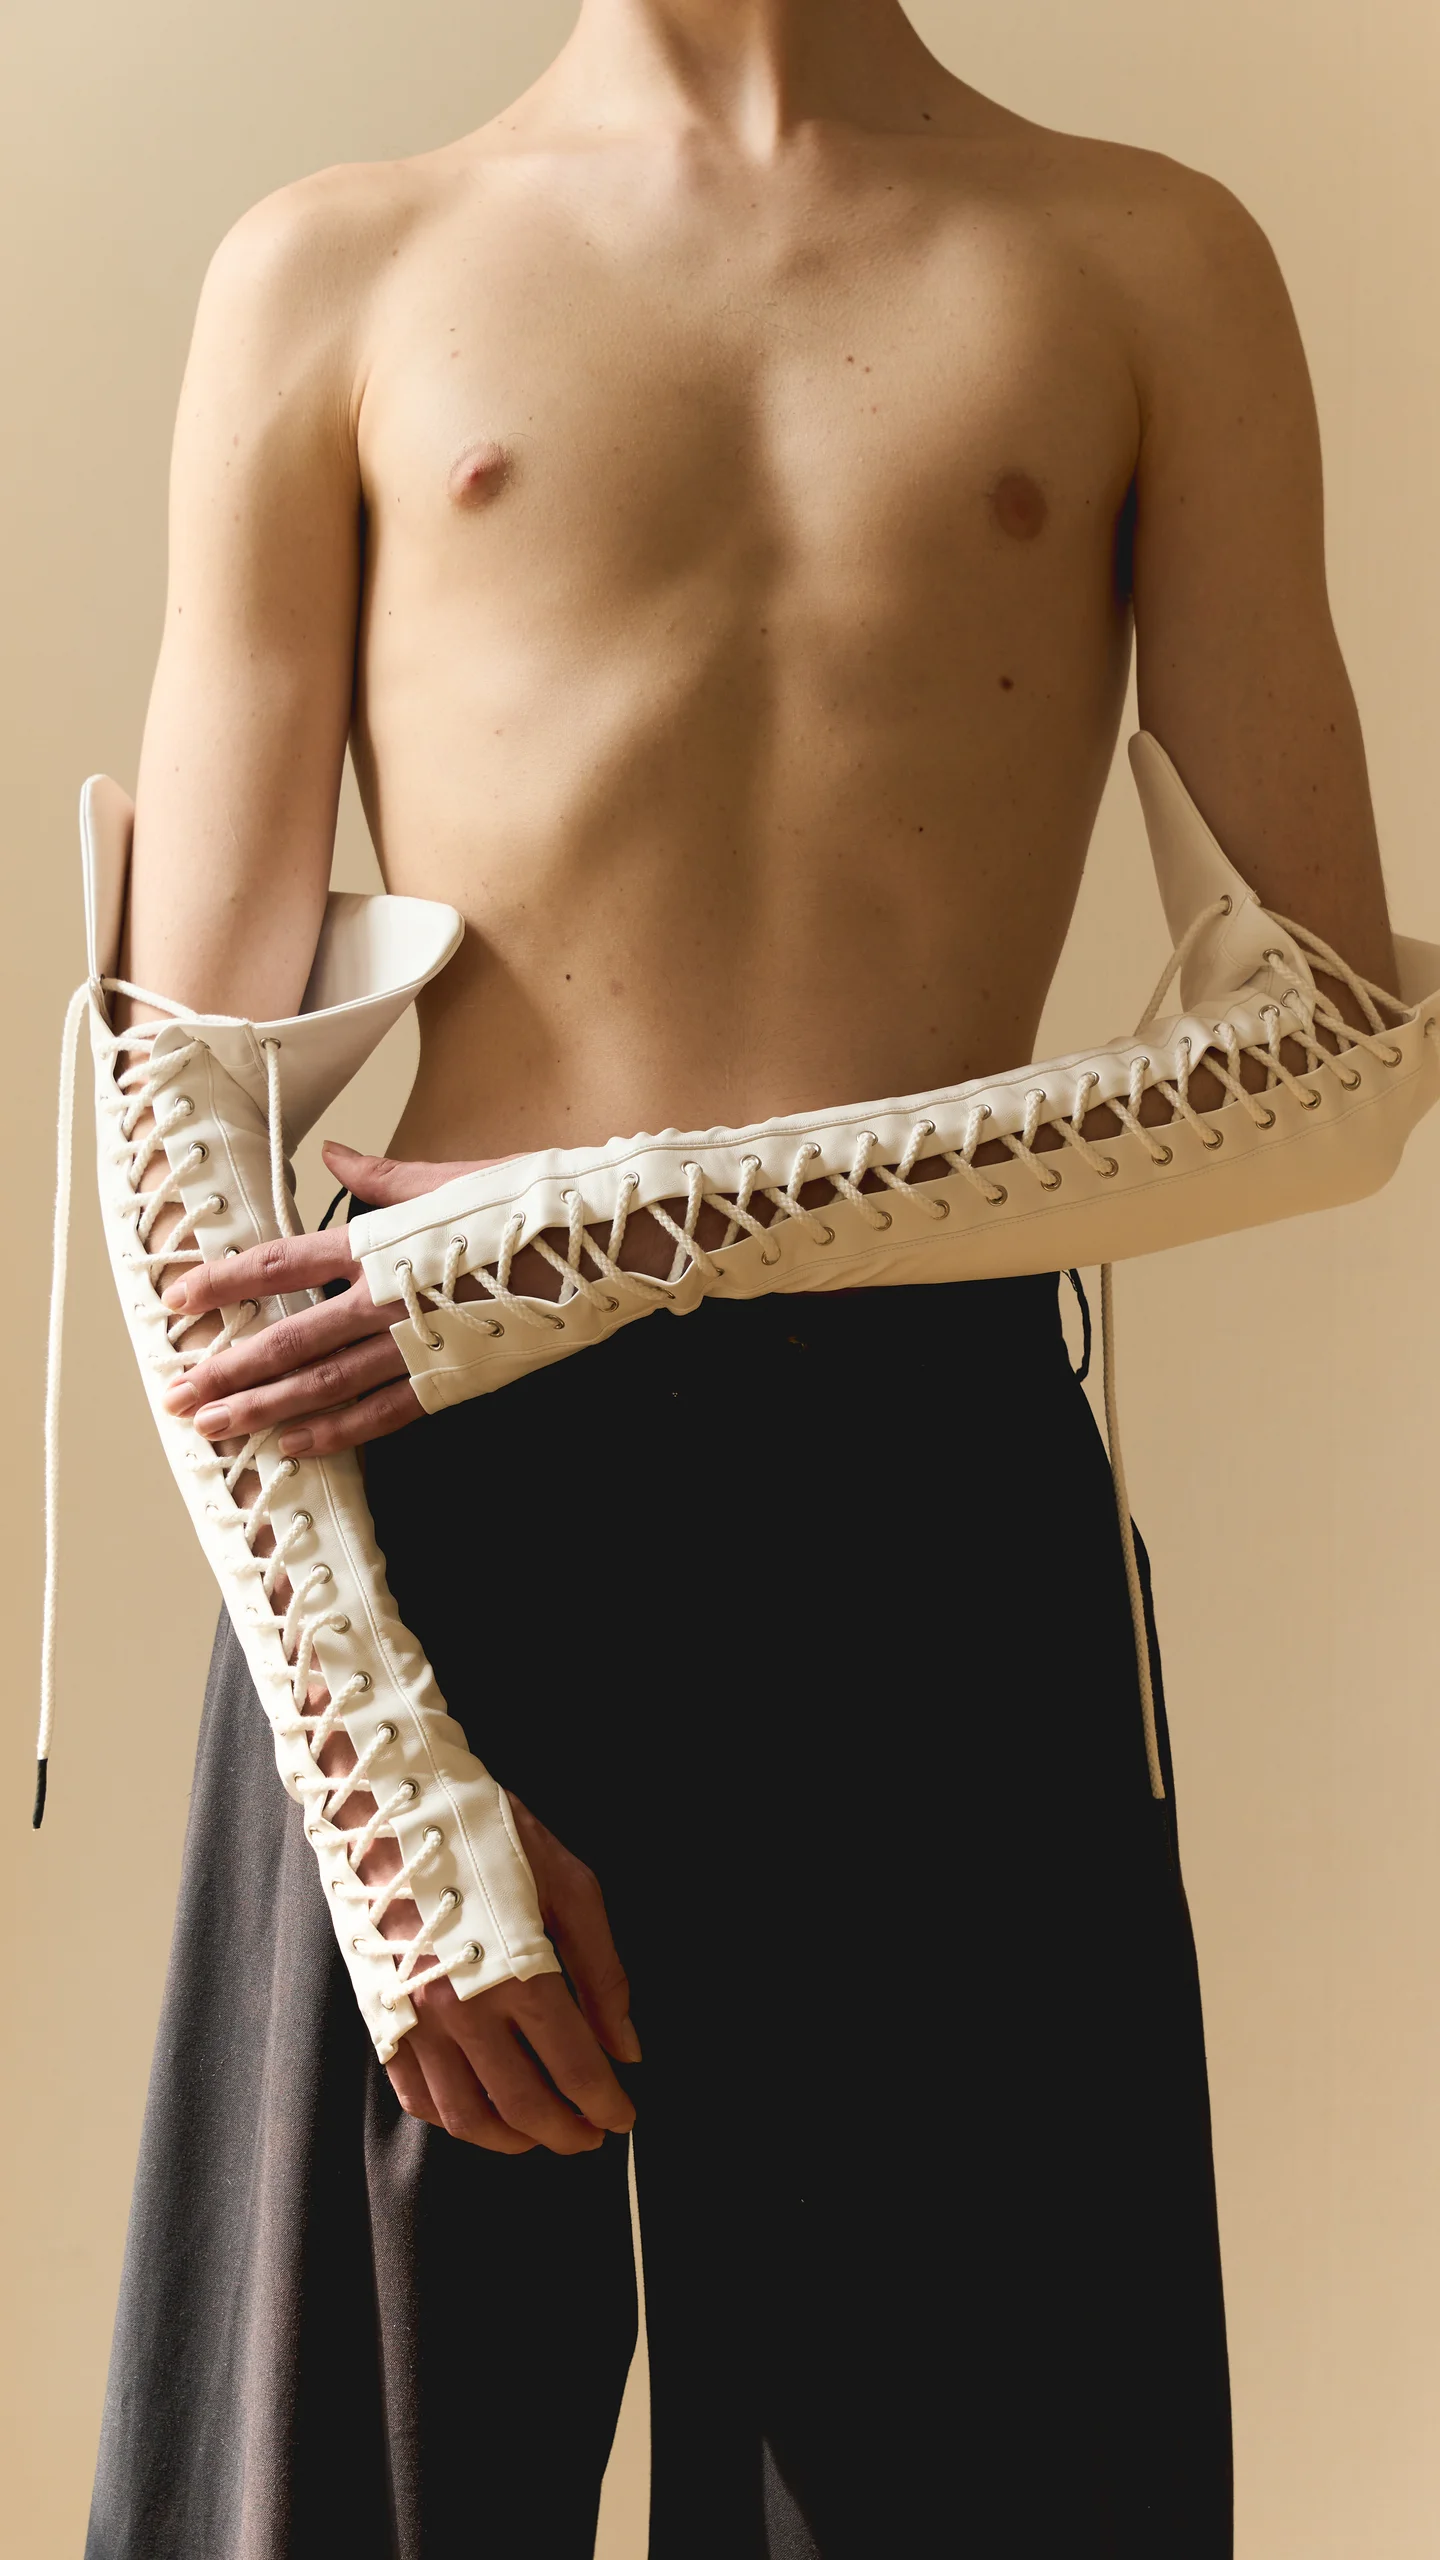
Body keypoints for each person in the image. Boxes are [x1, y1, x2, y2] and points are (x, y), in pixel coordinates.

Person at [86, 4, 1398, 2554]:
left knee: (981, 2484)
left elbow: (1331, 1048)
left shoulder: (1148, 262)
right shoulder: (338, 272)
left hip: (920, 1495)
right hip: (420, 1504)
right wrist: (383, 1797)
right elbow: (177, 1116)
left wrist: (611, 1231)